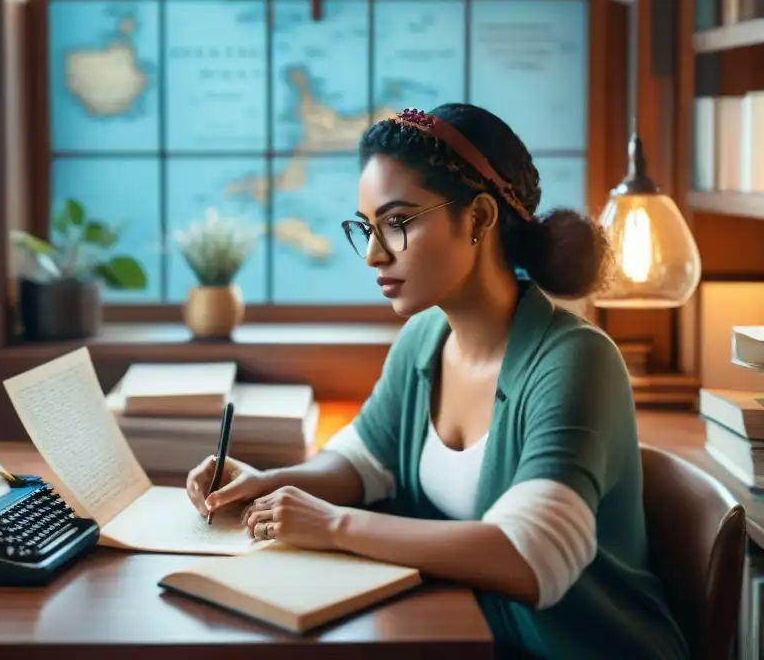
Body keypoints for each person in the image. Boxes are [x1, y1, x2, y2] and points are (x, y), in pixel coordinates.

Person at [185, 104, 690, 660]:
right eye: (367, 227)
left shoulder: (574, 361)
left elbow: (530, 558)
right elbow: (362, 463)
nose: (375, 253)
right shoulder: (424, 339)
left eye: (398, 223)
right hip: (467, 635)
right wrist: (265, 485)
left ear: (477, 219)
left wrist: (334, 526)